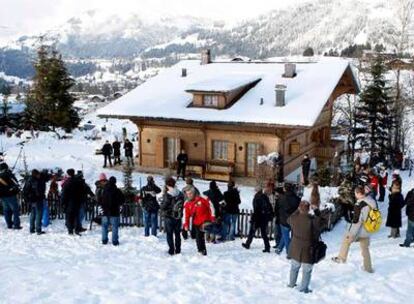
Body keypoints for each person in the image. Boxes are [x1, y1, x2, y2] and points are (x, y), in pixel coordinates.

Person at [332, 185, 375, 273]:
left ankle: (341, 258)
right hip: (368, 229)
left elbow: (357, 222)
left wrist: (351, 233)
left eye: (355, 193)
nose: (355, 195)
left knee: (346, 240)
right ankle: (368, 268)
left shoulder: (359, 205)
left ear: (359, 193)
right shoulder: (372, 201)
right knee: (365, 249)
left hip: (360, 231)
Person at [288, 201, 324, 294]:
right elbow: (322, 221)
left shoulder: (294, 218)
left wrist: (297, 210)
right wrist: (316, 210)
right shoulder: (312, 220)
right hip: (308, 249)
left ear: (299, 208)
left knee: (294, 267)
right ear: (308, 209)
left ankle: (291, 284)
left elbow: (288, 219)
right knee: (307, 270)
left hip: (296, 247)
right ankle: (303, 288)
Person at [183, 186, 215, 256]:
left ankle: (202, 251)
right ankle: (201, 251)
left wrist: (212, 217)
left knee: (200, 236)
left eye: (190, 193)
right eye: (187, 194)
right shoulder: (187, 203)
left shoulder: (203, 198)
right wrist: (186, 224)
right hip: (196, 222)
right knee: (198, 238)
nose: (189, 195)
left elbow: (211, 207)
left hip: (206, 221)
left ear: (194, 193)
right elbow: (186, 215)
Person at [242, 187, 273, 252]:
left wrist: (253, 218)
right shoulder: (265, 198)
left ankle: (248, 244)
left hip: (258, 218)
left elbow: (256, 209)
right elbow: (269, 208)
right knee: (263, 233)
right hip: (264, 218)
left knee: (252, 231)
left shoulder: (257, 198)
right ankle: (267, 247)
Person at [160, 177, 184, 255]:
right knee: (177, 234)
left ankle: (171, 250)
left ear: (167, 185)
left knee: (169, 234)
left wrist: (161, 205)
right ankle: (178, 250)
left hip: (169, 217)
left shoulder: (168, 195)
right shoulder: (180, 193)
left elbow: (164, 206)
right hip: (178, 216)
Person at [275, 183, 300, 255]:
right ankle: (279, 249)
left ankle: (289, 253)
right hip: (293, 220)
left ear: (285, 189)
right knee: (284, 235)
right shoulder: (297, 198)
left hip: (284, 220)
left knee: (286, 236)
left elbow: (277, 208)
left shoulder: (281, 197)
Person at [101, 176, 124, 246]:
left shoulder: (104, 190)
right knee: (114, 227)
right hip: (114, 212)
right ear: (115, 182)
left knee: (104, 226)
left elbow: (100, 199)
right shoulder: (117, 191)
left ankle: (104, 240)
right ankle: (114, 241)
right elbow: (122, 200)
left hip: (105, 212)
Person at [23, 169, 46, 235]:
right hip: (37, 200)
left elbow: (25, 191)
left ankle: (32, 229)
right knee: (39, 215)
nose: (39, 175)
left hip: (32, 200)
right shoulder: (36, 181)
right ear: (35, 174)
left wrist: (28, 199)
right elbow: (39, 191)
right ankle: (38, 230)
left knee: (33, 214)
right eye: (38, 174)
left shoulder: (29, 180)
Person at [61, 169, 83, 235]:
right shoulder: (78, 181)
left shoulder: (67, 182)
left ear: (68, 174)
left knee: (69, 216)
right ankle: (77, 229)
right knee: (76, 216)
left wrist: (63, 202)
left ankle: (70, 230)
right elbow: (81, 192)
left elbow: (64, 194)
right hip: (77, 201)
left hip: (69, 202)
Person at [0, 162, 22, 229]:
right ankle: (16, 225)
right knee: (15, 210)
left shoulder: (0, 176)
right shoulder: (9, 174)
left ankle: (9, 224)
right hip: (10, 195)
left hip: (2, 196)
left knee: (6, 211)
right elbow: (16, 183)